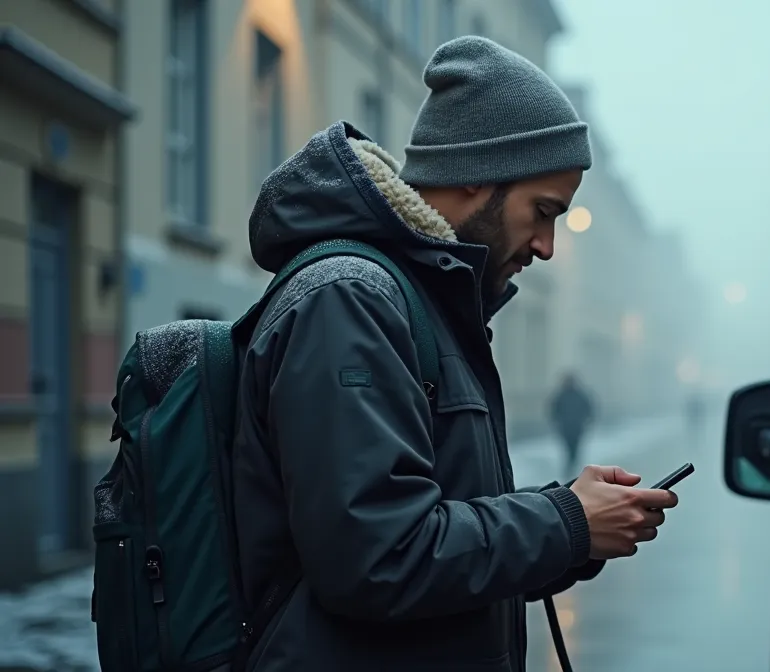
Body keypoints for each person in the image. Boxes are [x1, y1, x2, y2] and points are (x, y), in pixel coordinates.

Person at [230, 36, 677, 671]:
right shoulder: (351, 302)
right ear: (474, 173)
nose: (547, 245)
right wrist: (565, 522)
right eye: (542, 211)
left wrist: (576, 527)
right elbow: (378, 559)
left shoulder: (427, 306)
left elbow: (440, 537)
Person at [549, 372, 596, 474]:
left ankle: (571, 463)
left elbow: (589, 408)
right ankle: (571, 463)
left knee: (574, 446)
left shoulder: (576, 395)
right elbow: (554, 410)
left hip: (574, 426)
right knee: (570, 446)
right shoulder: (563, 395)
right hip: (569, 427)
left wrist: (587, 419)